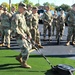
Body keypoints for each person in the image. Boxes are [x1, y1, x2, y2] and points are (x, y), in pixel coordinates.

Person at [11, 2, 32, 68]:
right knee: (25, 49)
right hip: (19, 36)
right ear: (19, 8)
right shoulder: (16, 16)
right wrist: (21, 34)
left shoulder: (22, 15)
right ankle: (24, 62)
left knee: (29, 47)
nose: (25, 10)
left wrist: (29, 34)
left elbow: (25, 26)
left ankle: (18, 57)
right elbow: (14, 27)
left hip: (24, 35)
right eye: (23, 8)